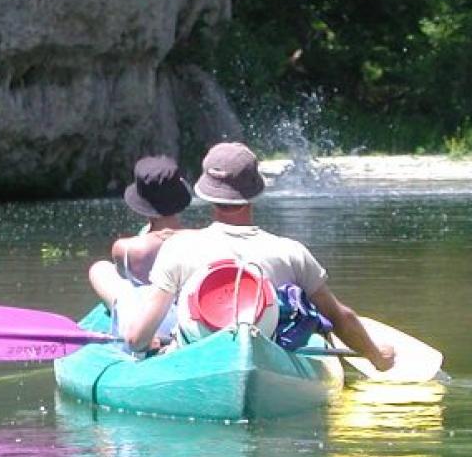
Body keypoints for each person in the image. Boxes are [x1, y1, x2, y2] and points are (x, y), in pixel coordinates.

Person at [124, 141, 396, 371]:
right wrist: (376, 356)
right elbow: (340, 318)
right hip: (269, 365)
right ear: (255, 191)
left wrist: (147, 343)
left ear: (205, 192)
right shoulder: (291, 252)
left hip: (197, 362)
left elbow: (137, 338)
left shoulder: (179, 247)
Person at [89, 155, 192, 340]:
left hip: (144, 325)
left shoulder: (126, 249)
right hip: (187, 322)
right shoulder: (200, 239)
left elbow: (124, 278)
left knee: (100, 269)